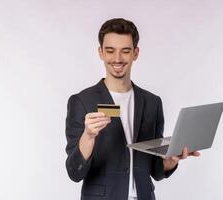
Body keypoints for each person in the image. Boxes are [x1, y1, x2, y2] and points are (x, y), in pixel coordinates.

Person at [65, 18, 200, 200]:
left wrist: (170, 161)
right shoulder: (81, 101)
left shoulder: (153, 102)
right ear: (101, 53)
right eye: (110, 51)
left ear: (135, 53)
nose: (118, 59)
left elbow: (155, 170)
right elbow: (74, 172)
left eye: (125, 51)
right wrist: (88, 136)